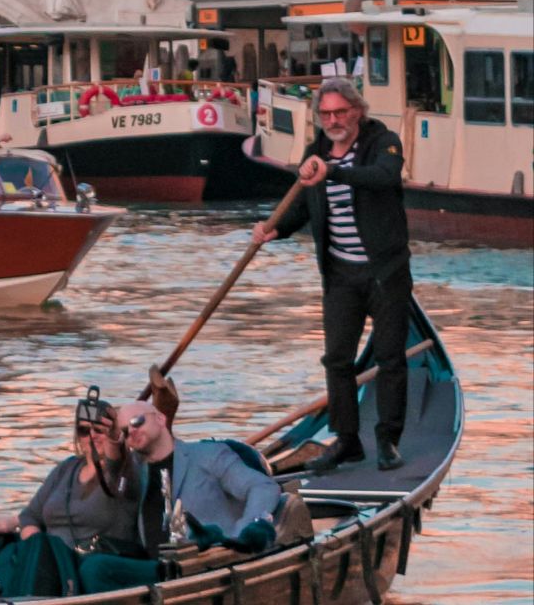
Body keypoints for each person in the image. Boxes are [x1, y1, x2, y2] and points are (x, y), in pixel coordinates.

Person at [252, 77, 411, 472]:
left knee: (391, 358)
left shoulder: (384, 142)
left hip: (385, 272)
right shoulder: (315, 154)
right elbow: (304, 204)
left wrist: (333, 172)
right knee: (337, 359)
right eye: (326, 113)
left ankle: (388, 439)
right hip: (341, 275)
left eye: (341, 112)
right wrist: (275, 228)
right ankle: (347, 440)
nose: (334, 120)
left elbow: (384, 177)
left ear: (356, 111)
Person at [74, 399, 281, 592]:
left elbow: (263, 487)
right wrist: (112, 443)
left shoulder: (208, 455)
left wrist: (243, 533)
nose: (133, 432)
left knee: (96, 569)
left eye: (137, 421)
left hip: (208, 563)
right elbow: (113, 491)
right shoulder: (133, 471)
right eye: (125, 431)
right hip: (158, 568)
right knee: (83, 563)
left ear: (161, 418)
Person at [0, 388, 140, 593]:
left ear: (112, 434)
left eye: (99, 430)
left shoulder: (126, 471)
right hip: (47, 563)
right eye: (84, 431)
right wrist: (36, 549)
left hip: (86, 563)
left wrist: (115, 444)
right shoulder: (67, 469)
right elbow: (30, 516)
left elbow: (118, 466)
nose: (92, 437)